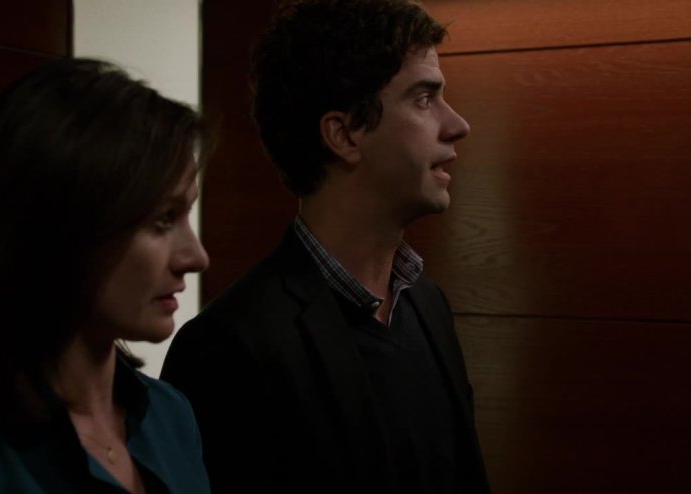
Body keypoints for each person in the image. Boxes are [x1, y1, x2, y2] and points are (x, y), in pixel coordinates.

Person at [161, 0, 490, 492]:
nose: (457, 123)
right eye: (424, 98)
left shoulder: (428, 305)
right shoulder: (227, 347)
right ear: (344, 134)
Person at [0, 58, 212, 493]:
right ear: (63, 227)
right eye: (163, 219)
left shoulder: (172, 417)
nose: (197, 257)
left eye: (187, 213)